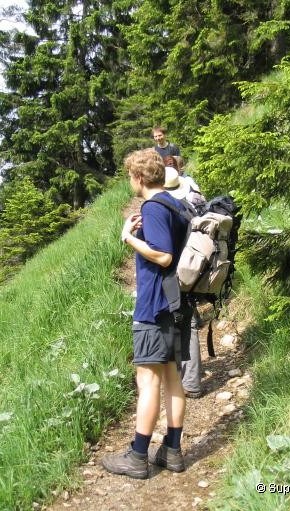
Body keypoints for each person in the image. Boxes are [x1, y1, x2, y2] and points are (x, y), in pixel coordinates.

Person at [101, 148, 191, 479]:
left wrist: (128, 239)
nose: (130, 182)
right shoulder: (176, 204)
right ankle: (173, 451)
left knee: (148, 379)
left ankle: (138, 456)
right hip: (174, 305)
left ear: (139, 177)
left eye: (129, 176)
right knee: (171, 378)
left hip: (154, 307)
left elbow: (164, 256)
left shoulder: (153, 207)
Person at [163, 167, 205, 398]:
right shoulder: (191, 207)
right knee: (189, 322)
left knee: (183, 325)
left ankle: (188, 382)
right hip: (193, 273)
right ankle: (191, 380)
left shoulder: (170, 211)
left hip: (177, 275)